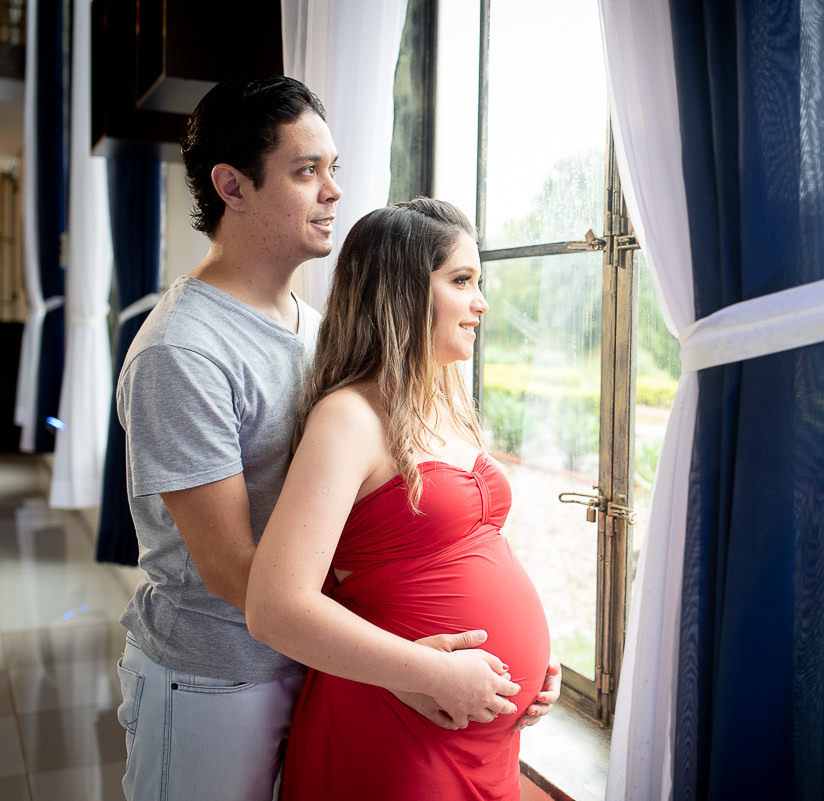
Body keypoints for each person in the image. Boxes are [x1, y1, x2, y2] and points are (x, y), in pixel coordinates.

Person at [114, 77, 555, 801]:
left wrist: (394, 661)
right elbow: (238, 574)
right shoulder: (182, 350)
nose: (333, 193)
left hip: (313, 665)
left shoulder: (313, 330)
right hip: (217, 679)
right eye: (306, 170)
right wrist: (408, 664)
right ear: (233, 185)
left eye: (334, 170)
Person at [245, 199, 552, 800]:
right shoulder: (348, 418)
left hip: (482, 737)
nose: (481, 303)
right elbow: (274, 607)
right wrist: (435, 673)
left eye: (479, 282)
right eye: (462, 281)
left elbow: (470, 549)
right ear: (404, 292)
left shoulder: (448, 404)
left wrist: (536, 666)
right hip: (398, 727)